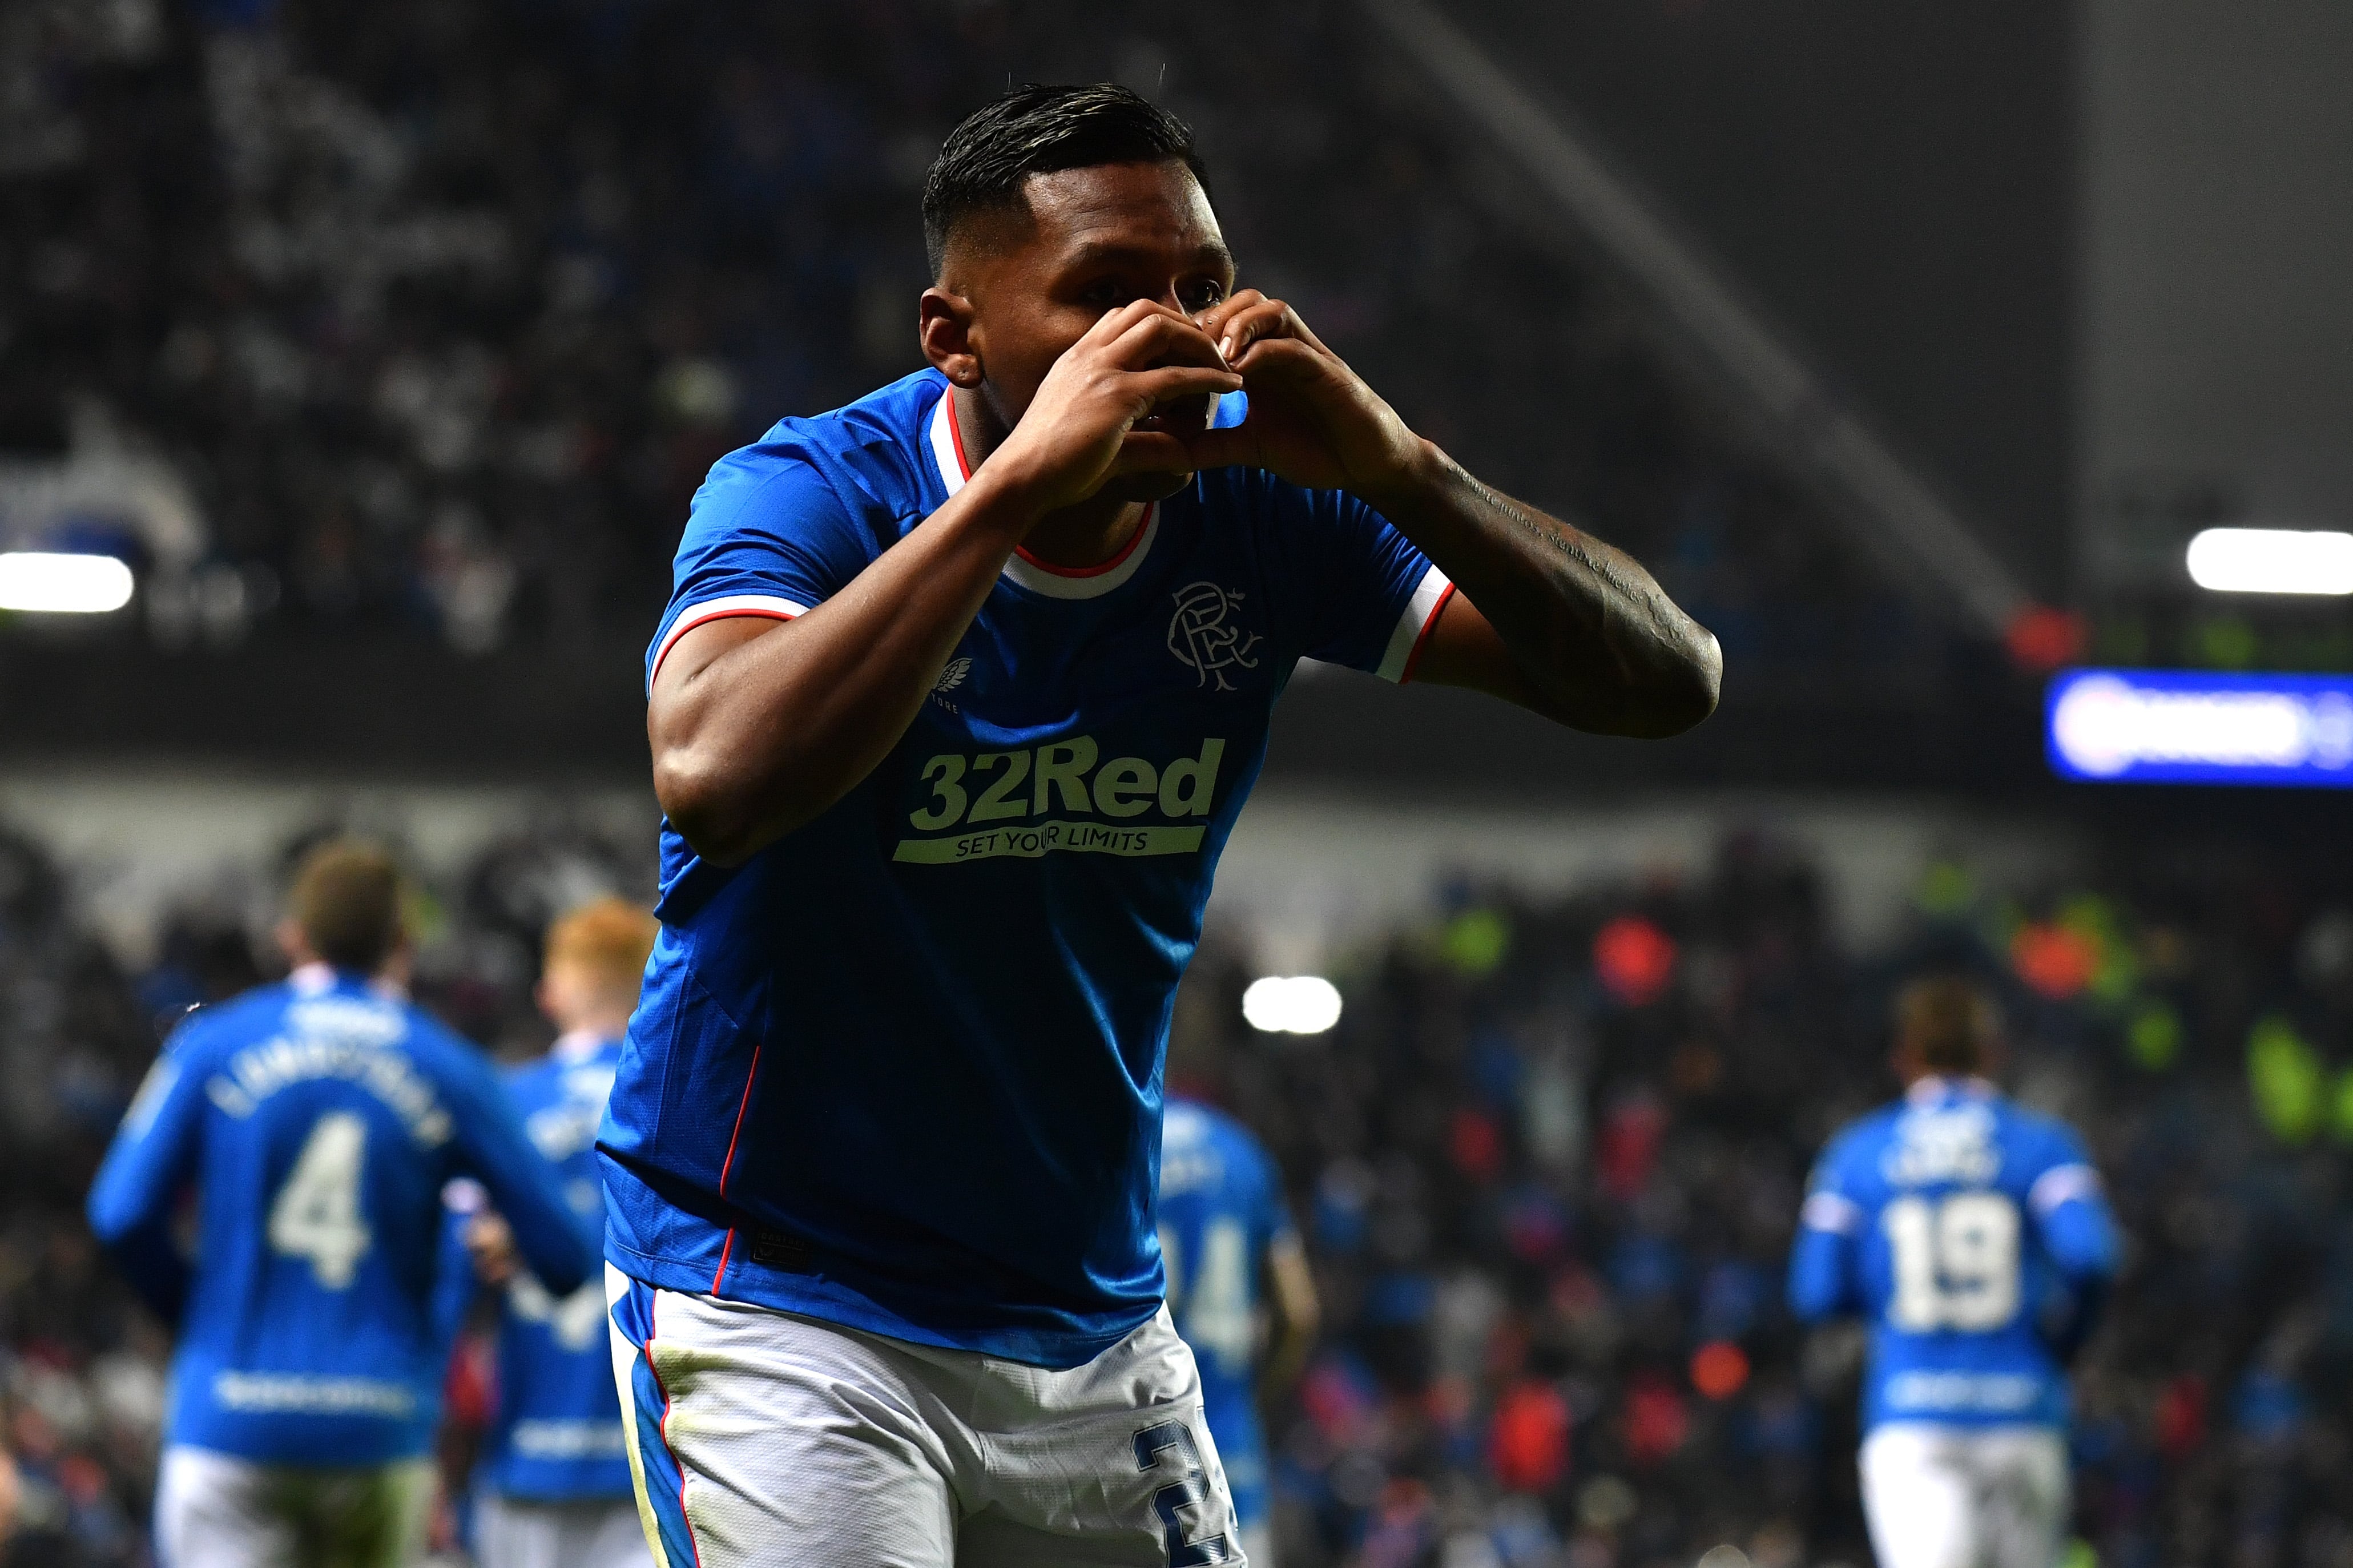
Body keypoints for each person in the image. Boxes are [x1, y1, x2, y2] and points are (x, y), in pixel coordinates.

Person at [607, 82, 1720, 1567]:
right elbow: (712, 772)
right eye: (1106, 295)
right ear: (957, 337)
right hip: (782, 1290)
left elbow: (1665, 682)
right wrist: (1009, 496)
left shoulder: (1258, 512)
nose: (1175, 335)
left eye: (1200, 285)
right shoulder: (808, 492)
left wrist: (1403, 470)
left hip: (1085, 1312)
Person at [87, 841, 598, 1568]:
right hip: (377, 1425)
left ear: (293, 937)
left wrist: (198, 1311)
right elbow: (565, 1258)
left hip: (229, 1420)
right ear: (403, 943)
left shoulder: (213, 1044)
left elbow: (120, 1211)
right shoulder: (450, 1065)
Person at [1787, 977, 2120, 1568]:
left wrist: (1890, 1307)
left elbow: (1815, 1292)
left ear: (1903, 1057)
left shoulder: (1858, 1153)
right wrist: (2061, 1346)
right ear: (1993, 1052)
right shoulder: (2042, 1145)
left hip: (1912, 1412)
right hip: (2020, 1407)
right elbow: (2091, 1257)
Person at [442, 898, 659, 1568]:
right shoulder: (685, 1104)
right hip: (652, 1463)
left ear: (551, 993)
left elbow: (452, 1271)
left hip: (522, 1457)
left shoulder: (504, 1101)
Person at [1157, 1098, 1317, 1568]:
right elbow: (1299, 1310)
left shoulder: (1119, 1149)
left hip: (1131, 1441)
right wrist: (1251, 1398)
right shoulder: (1241, 1151)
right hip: (1228, 1444)